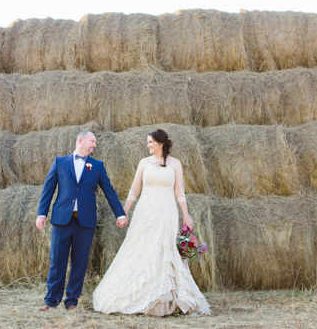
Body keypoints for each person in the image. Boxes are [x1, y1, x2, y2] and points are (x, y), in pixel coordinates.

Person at [93, 129, 211, 316]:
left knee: (164, 248)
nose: (147, 145)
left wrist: (186, 215)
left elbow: (179, 193)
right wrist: (124, 211)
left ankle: (166, 295)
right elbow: (134, 189)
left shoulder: (175, 164)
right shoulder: (144, 163)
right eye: (147, 142)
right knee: (141, 247)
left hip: (167, 212)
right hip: (146, 212)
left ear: (160, 143)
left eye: (150, 142)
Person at [36, 131, 128, 311]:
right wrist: (41, 214)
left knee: (80, 262)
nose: (95, 144)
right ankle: (51, 301)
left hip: (85, 222)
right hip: (62, 220)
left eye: (95, 142)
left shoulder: (98, 166)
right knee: (57, 261)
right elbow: (48, 189)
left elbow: (109, 191)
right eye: (92, 141)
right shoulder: (60, 162)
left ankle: (72, 301)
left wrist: (120, 214)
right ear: (81, 140)